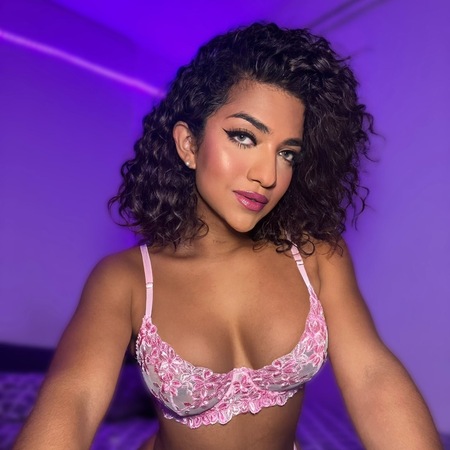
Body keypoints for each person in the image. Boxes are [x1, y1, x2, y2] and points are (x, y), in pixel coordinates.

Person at [14, 23, 442, 450]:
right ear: (188, 144)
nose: (268, 175)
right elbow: (75, 399)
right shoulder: (125, 279)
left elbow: (372, 377)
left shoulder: (315, 255)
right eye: (244, 137)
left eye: (287, 153)